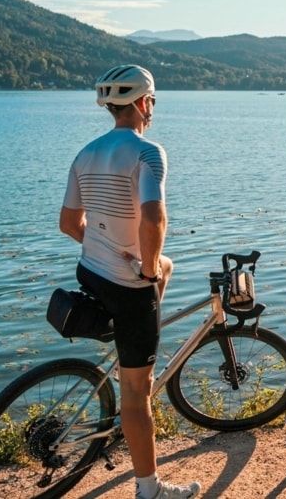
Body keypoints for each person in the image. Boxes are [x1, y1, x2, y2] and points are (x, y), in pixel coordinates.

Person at [59, 65, 200, 499]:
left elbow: (68, 223)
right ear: (142, 103)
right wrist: (145, 267)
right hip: (126, 284)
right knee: (137, 395)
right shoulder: (147, 152)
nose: (153, 110)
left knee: (166, 267)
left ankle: (131, 355)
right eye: (152, 101)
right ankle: (149, 488)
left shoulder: (85, 153)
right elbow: (154, 218)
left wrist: (106, 244)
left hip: (91, 270)